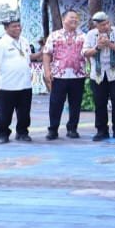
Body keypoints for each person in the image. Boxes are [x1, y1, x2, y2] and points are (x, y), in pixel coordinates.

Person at [43, 9, 87, 140]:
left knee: (75, 104)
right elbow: (47, 53)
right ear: (63, 20)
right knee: (56, 103)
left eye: (76, 18)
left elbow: (88, 54)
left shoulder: (83, 36)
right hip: (58, 76)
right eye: (71, 17)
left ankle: (72, 129)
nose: (74, 20)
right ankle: (53, 129)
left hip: (78, 75)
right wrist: (47, 71)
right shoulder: (54, 35)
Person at [83, 11, 115, 141]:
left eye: (107, 23)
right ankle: (101, 130)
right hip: (98, 73)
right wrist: (97, 47)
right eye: (102, 25)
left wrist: (109, 44)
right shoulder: (91, 35)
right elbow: (85, 52)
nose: (106, 26)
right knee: (100, 102)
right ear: (96, 25)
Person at [0, 17, 33, 143]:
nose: (17, 28)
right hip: (7, 86)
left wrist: (42, 53)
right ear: (6, 28)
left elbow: (28, 57)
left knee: (24, 113)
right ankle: (3, 134)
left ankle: (22, 132)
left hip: (25, 84)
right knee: (5, 114)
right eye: (14, 26)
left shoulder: (24, 41)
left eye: (19, 25)